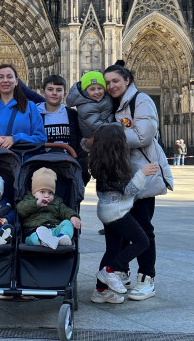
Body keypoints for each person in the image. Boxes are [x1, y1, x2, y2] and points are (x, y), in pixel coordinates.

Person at [101, 60, 173, 300]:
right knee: (119, 230)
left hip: (143, 173)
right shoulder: (112, 104)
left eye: (116, 81)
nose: (111, 86)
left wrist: (108, 138)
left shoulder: (142, 100)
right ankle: (122, 272)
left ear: (127, 80)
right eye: (108, 82)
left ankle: (147, 278)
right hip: (119, 175)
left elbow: (144, 135)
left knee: (143, 228)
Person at [88, 124, 159, 303]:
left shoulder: (101, 163)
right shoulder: (114, 167)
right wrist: (142, 173)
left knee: (112, 249)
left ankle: (101, 291)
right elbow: (129, 190)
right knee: (142, 241)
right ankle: (111, 270)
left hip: (105, 211)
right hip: (117, 213)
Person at [0, 64, 46, 148]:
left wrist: (16, 138)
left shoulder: (30, 107)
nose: (5, 80)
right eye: (1, 77)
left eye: (9, 77)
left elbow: (41, 138)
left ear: (16, 81)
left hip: (23, 159)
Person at [37, 74, 90, 185]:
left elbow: (80, 145)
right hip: (42, 168)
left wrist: (82, 172)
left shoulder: (72, 115)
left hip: (67, 167)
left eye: (58, 90)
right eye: (50, 89)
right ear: (43, 92)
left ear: (64, 94)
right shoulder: (35, 114)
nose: (54, 93)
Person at [16, 167, 82, 250]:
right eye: (42, 192)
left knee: (67, 223)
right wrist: (36, 204)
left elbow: (65, 210)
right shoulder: (28, 200)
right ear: (34, 192)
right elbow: (20, 209)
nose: (47, 195)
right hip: (35, 231)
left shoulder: (57, 202)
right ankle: (42, 240)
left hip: (54, 230)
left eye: (50, 192)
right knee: (33, 238)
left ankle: (61, 237)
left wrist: (73, 216)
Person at [66, 71, 113, 138]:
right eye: (92, 89)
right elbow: (97, 126)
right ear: (85, 92)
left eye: (100, 88)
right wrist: (118, 125)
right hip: (98, 139)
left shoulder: (103, 99)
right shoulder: (85, 107)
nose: (97, 92)